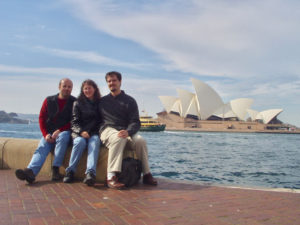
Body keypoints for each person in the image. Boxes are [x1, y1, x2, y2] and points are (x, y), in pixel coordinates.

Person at [99, 71, 157, 189]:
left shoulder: (130, 101)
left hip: (125, 131)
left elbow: (135, 122)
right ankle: (111, 177)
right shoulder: (102, 101)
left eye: (114, 80)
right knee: (118, 138)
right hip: (107, 130)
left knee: (140, 140)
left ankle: (146, 174)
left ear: (120, 82)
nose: (111, 83)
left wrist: (128, 131)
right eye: (109, 81)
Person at [15, 78, 76, 183]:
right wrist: (46, 134)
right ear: (59, 87)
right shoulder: (49, 100)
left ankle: (55, 169)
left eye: (69, 87)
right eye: (64, 86)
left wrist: (60, 130)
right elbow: (41, 118)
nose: (67, 89)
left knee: (63, 136)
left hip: (65, 132)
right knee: (43, 145)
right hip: (50, 132)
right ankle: (30, 172)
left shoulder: (75, 102)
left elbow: (74, 121)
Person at [63, 79, 102, 186]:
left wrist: (94, 132)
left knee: (94, 142)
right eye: (85, 88)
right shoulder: (77, 103)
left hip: (94, 132)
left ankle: (90, 174)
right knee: (79, 142)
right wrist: (81, 132)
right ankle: (70, 171)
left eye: (90, 88)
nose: (87, 90)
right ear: (82, 90)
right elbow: (74, 122)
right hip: (79, 133)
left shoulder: (100, 103)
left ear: (94, 89)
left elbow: (101, 121)